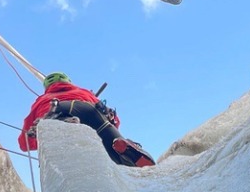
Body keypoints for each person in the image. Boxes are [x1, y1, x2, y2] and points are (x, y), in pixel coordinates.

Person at [19, 72, 155, 167]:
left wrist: (37, 138)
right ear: (67, 81)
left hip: (60, 109)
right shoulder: (85, 92)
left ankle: (65, 122)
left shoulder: (41, 100)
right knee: (113, 146)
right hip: (92, 112)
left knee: (54, 120)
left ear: (47, 87)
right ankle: (124, 150)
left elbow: (23, 143)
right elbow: (116, 121)